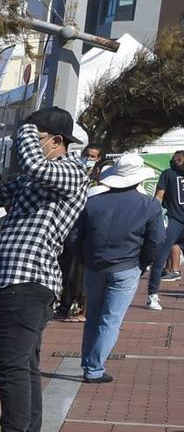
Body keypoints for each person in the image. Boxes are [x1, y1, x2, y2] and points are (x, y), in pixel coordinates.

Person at [0, 108, 88, 432]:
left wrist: (22, 130)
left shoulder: (70, 170)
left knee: (11, 370)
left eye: (37, 139)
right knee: (24, 368)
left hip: (28, 281)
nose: (28, 147)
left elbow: (36, 166)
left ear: (57, 142)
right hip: (13, 281)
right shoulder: (34, 181)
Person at [72, 153, 169, 383]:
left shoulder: (92, 202)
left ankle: (89, 363)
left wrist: (85, 258)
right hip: (127, 265)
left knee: (94, 315)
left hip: (95, 265)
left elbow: (74, 236)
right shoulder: (148, 205)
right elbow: (156, 241)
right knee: (110, 319)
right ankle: (94, 368)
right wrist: (142, 264)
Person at [153, 150, 184, 311]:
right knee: (160, 257)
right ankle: (152, 295)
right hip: (174, 219)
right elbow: (159, 195)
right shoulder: (168, 174)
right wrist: (153, 212)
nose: (174, 162)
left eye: (176, 160)